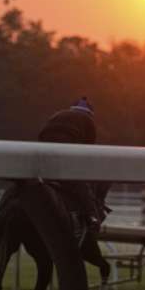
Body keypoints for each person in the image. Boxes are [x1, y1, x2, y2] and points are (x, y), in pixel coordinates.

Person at [38, 97, 111, 240]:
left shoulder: (58, 114)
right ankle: (92, 217)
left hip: (42, 148)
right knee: (80, 184)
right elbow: (88, 150)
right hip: (65, 148)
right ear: (90, 113)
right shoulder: (88, 121)